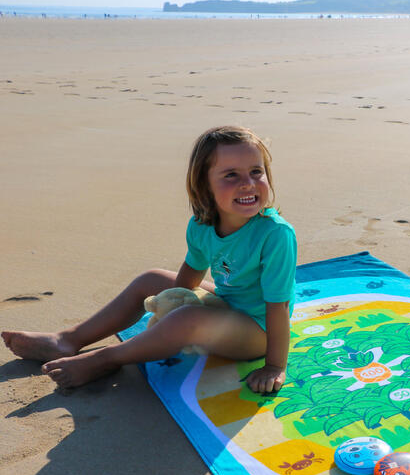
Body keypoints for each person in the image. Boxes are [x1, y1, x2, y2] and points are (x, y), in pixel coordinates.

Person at [2, 126, 296, 393]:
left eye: (256, 172)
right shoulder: (202, 224)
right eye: (231, 174)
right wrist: (174, 303)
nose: (248, 183)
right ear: (204, 186)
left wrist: (274, 366)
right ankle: (68, 339)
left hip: (260, 331)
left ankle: (106, 358)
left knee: (187, 318)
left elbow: (279, 307)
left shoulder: (275, 235)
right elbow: (192, 271)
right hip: (228, 304)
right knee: (152, 279)